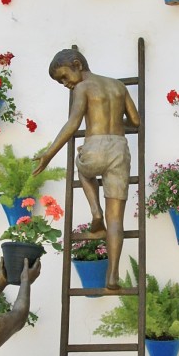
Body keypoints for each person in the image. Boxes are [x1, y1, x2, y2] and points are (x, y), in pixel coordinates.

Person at [33, 48, 140, 289]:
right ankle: (112, 276)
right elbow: (136, 122)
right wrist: (114, 121)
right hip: (119, 148)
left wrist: (48, 155)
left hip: (95, 146)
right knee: (117, 221)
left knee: (82, 166)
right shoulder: (118, 86)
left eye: (64, 77)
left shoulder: (83, 88)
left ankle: (95, 211)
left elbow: (73, 124)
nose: (64, 84)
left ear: (76, 64)